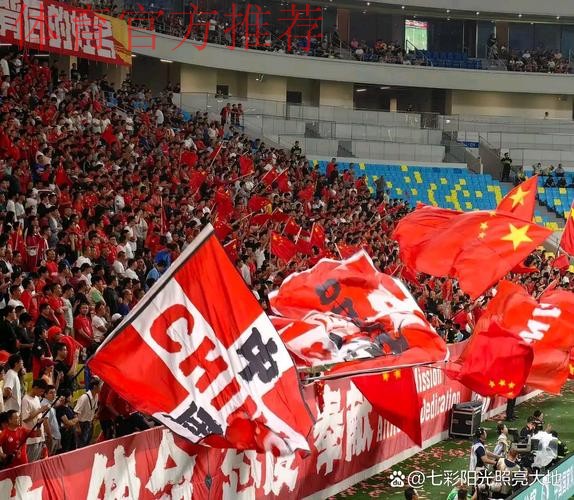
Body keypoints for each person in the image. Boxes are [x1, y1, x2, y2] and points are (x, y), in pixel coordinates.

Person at [21, 379, 49, 462]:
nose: (42, 393)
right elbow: (25, 419)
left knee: (37, 462)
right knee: (30, 462)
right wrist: (40, 410)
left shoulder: (36, 398)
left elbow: (37, 414)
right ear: (35, 388)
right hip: (31, 438)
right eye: (41, 391)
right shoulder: (26, 399)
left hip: (39, 435)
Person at [74, 377, 102, 448]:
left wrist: (94, 416)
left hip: (89, 422)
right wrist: (78, 427)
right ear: (95, 387)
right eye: (100, 386)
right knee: (81, 445)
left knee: (87, 443)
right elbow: (75, 413)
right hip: (81, 424)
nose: (101, 387)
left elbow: (94, 408)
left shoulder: (96, 396)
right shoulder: (84, 398)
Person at [55, 389, 78, 453]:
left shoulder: (70, 407)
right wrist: (73, 421)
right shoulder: (60, 409)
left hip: (72, 432)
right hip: (65, 434)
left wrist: (72, 421)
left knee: (73, 450)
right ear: (66, 397)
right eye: (70, 396)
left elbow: (77, 418)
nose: (71, 397)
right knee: (65, 450)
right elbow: (67, 422)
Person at [40, 384, 61, 455]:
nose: (54, 395)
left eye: (55, 392)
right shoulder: (45, 404)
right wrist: (50, 437)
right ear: (45, 394)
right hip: (50, 437)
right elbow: (45, 422)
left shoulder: (50, 403)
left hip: (54, 436)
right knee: (48, 456)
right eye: (51, 393)